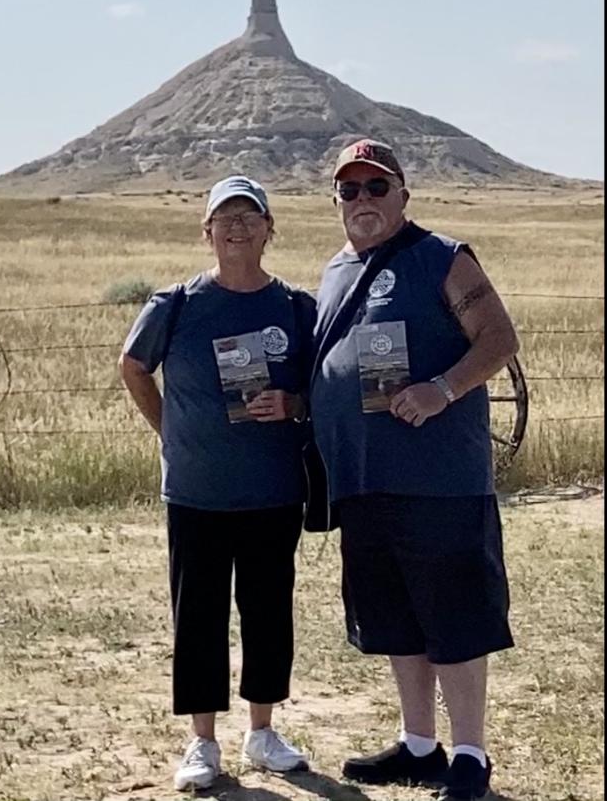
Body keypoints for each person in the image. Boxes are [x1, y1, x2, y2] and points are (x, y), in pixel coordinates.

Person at [310, 140, 519, 801]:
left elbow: (498, 337)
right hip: (365, 478)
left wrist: (443, 389)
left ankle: (470, 755)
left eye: (377, 185)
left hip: (440, 478)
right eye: (350, 189)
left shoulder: (442, 256)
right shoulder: (334, 272)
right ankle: (420, 744)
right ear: (336, 201)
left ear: (404, 193)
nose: (363, 199)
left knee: (453, 616)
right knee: (396, 616)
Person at [119, 176, 315, 791]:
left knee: (268, 611)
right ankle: (202, 743)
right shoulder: (175, 303)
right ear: (206, 231)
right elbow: (132, 366)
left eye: (249, 218)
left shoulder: (295, 307)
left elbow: (323, 391)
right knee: (197, 616)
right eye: (225, 219)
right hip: (196, 492)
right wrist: (168, 432)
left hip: (273, 490)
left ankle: (263, 731)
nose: (237, 228)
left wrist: (293, 404)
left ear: (269, 230)